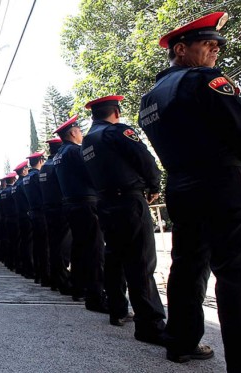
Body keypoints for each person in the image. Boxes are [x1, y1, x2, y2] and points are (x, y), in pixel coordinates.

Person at [139, 12, 241, 370]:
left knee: (188, 266)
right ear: (182, 49)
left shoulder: (150, 99)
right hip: (223, 183)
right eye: (208, 44)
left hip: (183, 187)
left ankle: (181, 342)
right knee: (238, 274)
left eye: (217, 45)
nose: (215, 51)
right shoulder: (206, 80)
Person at [82, 95, 166, 344]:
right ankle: (150, 324)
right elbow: (145, 159)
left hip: (105, 203)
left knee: (115, 257)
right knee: (141, 262)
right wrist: (153, 184)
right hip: (129, 201)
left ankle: (117, 309)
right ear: (116, 112)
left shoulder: (87, 142)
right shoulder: (117, 132)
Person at [53, 115, 107, 313]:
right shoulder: (75, 151)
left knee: (79, 248)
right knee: (94, 250)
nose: (81, 134)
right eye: (79, 130)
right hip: (85, 202)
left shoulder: (60, 154)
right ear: (73, 132)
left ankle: (79, 288)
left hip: (72, 204)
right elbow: (92, 173)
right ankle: (96, 294)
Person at [39, 138, 72, 294]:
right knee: (63, 248)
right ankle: (63, 282)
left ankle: (54, 280)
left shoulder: (44, 168)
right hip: (61, 209)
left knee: (52, 246)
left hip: (48, 210)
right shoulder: (56, 165)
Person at [23, 151, 51, 287]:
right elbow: (45, 193)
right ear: (40, 160)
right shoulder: (37, 176)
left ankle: (38, 274)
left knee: (37, 245)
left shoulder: (27, 178)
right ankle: (45, 276)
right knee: (44, 247)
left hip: (33, 213)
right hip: (41, 213)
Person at [12, 160, 34, 279]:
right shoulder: (22, 184)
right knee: (29, 243)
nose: (27, 170)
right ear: (23, 170)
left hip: (19, 216)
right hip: (26, 215)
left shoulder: (15, 186)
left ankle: (23, 267)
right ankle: (29, 269)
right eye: (26, 169)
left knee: (22, 242)